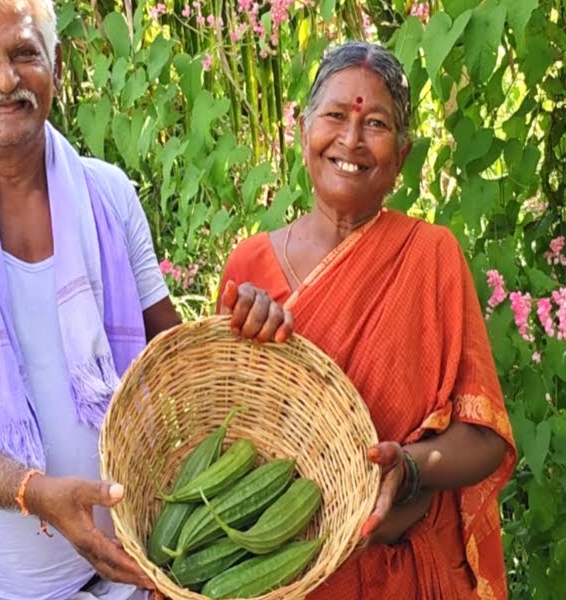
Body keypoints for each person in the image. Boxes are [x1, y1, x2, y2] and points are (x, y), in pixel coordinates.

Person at [0, 0, 287, 600]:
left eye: (24, 53)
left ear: (55, 67)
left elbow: (165, 360)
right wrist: (34, 492)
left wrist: (241, 332)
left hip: (128, 574)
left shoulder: (108, 195)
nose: (5, 80)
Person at [218, 41, 515, 599]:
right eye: (335, 116)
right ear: (305, 132)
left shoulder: (430, 256)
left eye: (374, 123)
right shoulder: (249, 266)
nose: (351, 140)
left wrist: (411, 467)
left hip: (400, 575)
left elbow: (485, 439)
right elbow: (225, 436)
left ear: (401, 157)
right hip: (283, 577)